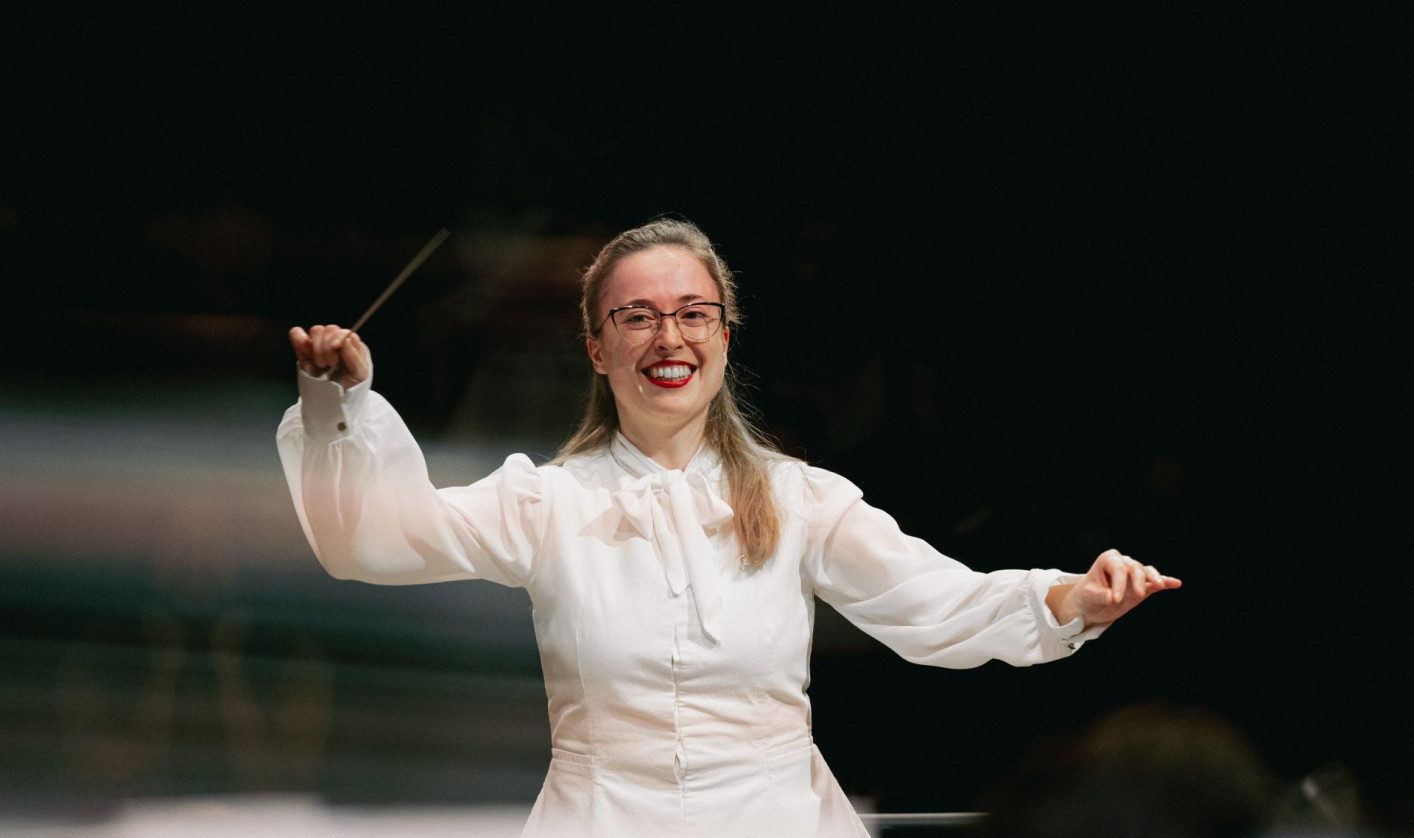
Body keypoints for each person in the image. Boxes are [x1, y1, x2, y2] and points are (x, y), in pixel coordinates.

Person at [276, 218, 1181, 837]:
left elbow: (939, 603)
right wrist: (338, 402)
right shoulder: (547, 503)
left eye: (692, 314)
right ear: (597, 348)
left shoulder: (800, 499)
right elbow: (373, 540)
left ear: (724, 334)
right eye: (637, 316)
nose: (668, 337)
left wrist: (1073, 597)